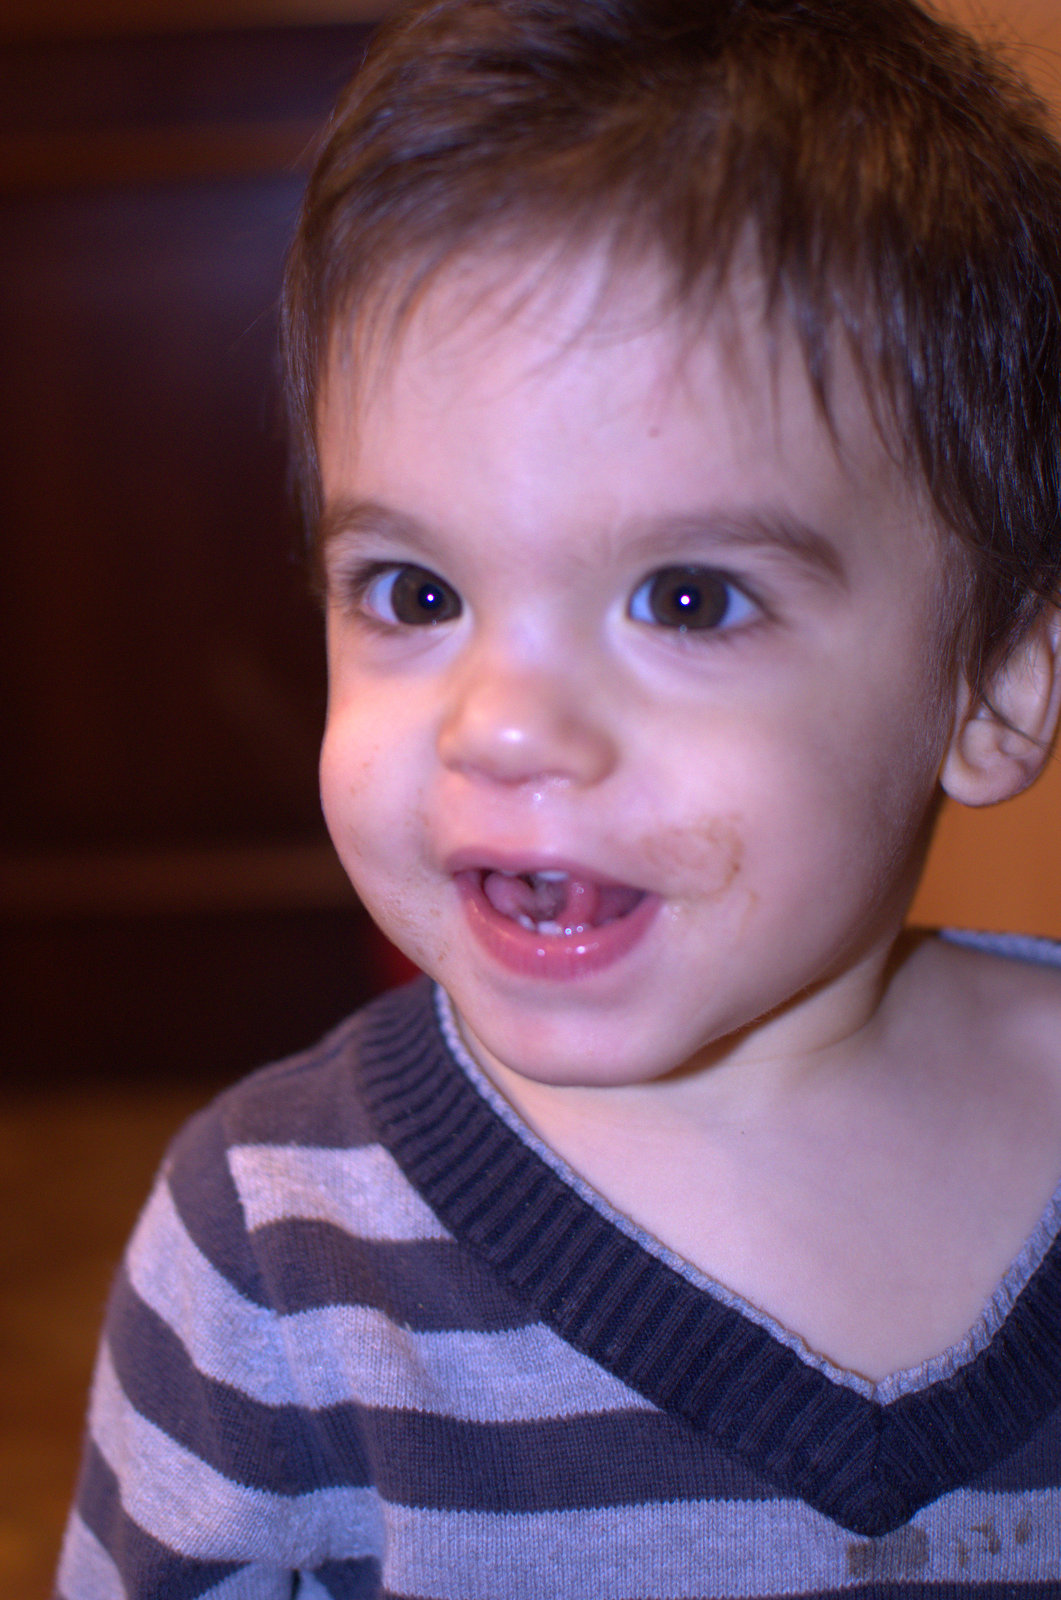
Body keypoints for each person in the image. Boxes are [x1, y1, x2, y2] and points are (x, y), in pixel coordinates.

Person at [56, 0, 1061, 1594]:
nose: (502, 727)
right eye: (415, 592)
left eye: (685, 600)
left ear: (993, 687)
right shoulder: (272, 1264)